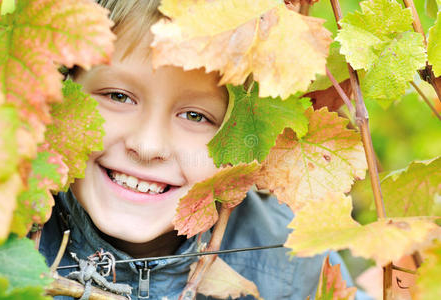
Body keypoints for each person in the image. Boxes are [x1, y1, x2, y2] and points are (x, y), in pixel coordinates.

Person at [39, 1, 372, 299]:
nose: (147, 146)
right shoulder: (8, 222)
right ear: (61, 87)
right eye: (118, 96)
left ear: (248, 134)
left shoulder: (288, 260)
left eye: (196, 116)